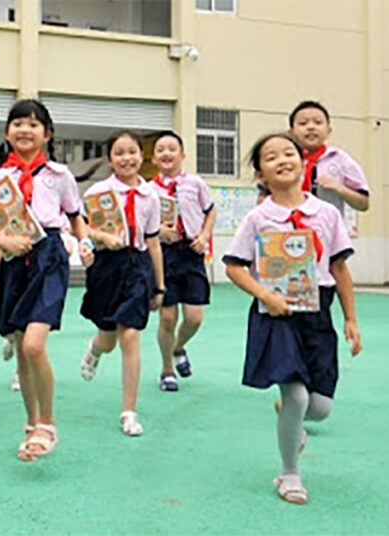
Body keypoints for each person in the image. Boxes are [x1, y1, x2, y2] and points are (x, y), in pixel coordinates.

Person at [222, 132, 362, 505]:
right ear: (260, 173)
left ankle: (292, 420)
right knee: (296, 395)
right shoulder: (258, 218)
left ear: (303, 163)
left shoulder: (327, 214)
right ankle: (290, 474)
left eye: (289, 153)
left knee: (320, 408)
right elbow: (234, 266)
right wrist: (266, 295)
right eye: (271, 157)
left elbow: (339, 268)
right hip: (276, 316)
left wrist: (350, 319)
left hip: (317, 315)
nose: (282, 160)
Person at [0, 99, 93, 461]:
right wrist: (2, 245)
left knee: (35, 345)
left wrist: (84, 242)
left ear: (47, 134)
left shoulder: (59, 175)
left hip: (49, 258)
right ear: (7, 132)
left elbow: (75, 216)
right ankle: (31, 423)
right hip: (13, 261)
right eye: (18, 123)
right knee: (22, 347)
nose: (25, 130)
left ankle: (47, 423)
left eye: (34, 124)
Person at [79, 130, 165, 437]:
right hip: (106, 267)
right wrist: (100, 237)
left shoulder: (151, 195)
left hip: (137, 266)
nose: (126, 158)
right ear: (110, 159)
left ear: (142, 156)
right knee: (108, 338)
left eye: (132, 152)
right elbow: (82, 228)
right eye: (119, 153)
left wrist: (159, 285)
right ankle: (95, 348)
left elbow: (153, 242)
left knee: (130, 335)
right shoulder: (97, 193)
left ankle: (129, 411)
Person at [148, 130, 216, 391]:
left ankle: (178, 347)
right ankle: (167, 370)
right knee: (167, 317)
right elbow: (143, 223)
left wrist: (205, 235)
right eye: (160, 150)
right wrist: (158, 231)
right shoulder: (149, 190)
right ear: (154, 158)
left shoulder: (195, 183)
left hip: (191, 252)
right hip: (164, 255)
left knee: (194, 317)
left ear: (182, 154)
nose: (166, 153)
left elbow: (210, 211)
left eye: (171, 148)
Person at [289, 100, 370, 214]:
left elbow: (363, 204)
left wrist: (339, 188)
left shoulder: (340, 159)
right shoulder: (286, 160)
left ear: (328, 130)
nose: (311, 127)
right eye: (303, 123)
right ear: (291, 132)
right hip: (289, 224)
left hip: (328, 224)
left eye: (318, 122)